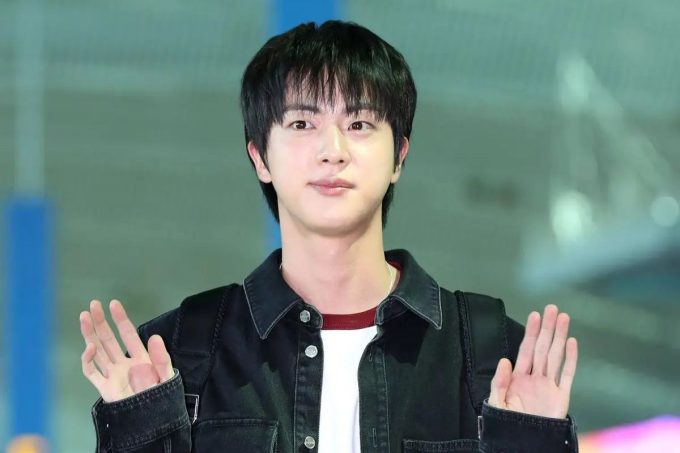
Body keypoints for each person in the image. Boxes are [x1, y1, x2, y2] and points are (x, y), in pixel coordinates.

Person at [79, 20, 579, 453]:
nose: (332, 150)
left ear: (399, 157)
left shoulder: (496, 358)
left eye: (359, 123)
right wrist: (142, 434)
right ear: (260, 157)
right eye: (302, 122)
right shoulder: (177, 356)